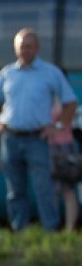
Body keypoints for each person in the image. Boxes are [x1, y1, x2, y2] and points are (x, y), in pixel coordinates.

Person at [0, 28, 77, 231]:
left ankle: (50, 230)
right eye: (22, 47)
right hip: (10, 137)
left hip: (37, 138)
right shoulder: (7, 73)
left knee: (43, 187)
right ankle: (19, 229)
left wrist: (57, 126)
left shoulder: (50, 72)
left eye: (29, 46)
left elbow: (70, 102)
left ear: (37, 48)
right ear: (15, 49)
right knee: (14, 189)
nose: (25, 50)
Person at [48, 75, 79, 233]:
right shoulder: (46, 96)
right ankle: (52, 228)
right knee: (50, 189)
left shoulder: (68, 101)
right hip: (47, 147)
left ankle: (69, 229)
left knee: (67, 188)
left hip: (63, 147)